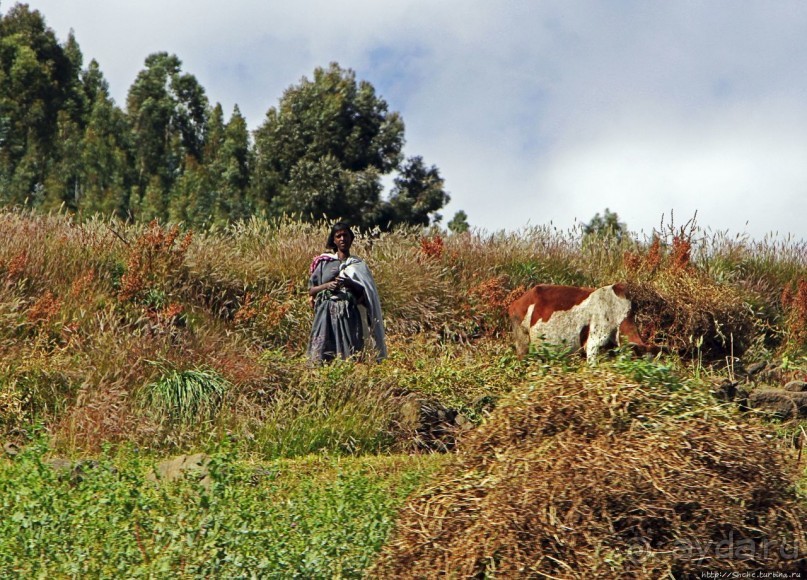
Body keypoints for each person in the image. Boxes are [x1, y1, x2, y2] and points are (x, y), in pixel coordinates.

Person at [307, 222, 387, 363]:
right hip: (325, 314)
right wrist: (327, 285)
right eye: (338, 236)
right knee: (322, 352)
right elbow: (312, 290)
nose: (342, 239)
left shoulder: (358, 265)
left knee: (350, 353)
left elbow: (366, 293)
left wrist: (350, 284)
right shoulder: (324, 263)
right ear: (334, 240)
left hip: (349, 314)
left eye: (345, 235)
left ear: (351, 238)